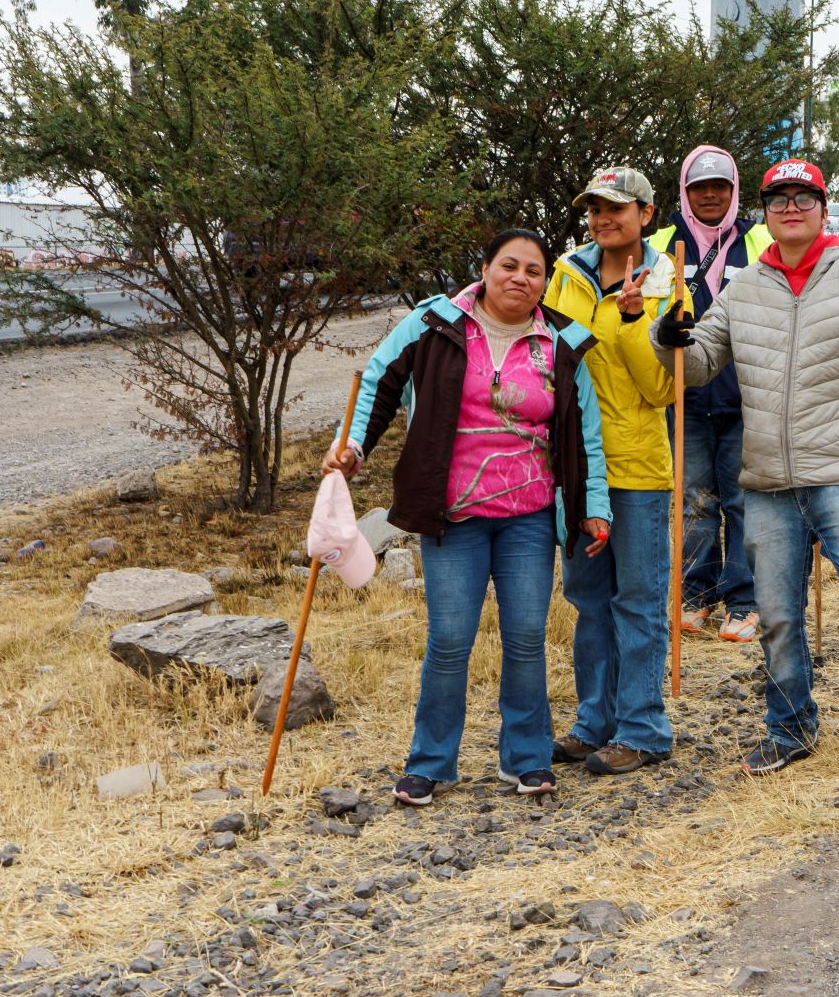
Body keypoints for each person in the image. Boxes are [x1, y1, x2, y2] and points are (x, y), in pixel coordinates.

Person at [654, 157, 839, 784]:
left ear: (823, 206)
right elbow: (699, 362)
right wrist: (668, 335)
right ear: (764, 210)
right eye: (778, 198)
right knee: (778, 615)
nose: (790, 207)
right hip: (767, 482)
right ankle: (789, 727)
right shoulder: (746, 286)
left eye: (803, 197)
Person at [330, 230, 609, 806]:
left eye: (534, 271)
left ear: (544, 283)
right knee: (451, 640)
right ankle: (431, 764)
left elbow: (587, 433)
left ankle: (528, 760)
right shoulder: (435, 324)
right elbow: (379, 382)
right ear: (484, 268)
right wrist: (352, 447)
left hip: (528, 517)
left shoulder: (562, 342)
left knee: (528, 638)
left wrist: (595, 508)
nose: (521, 278)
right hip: (452, 514)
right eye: (509, 265)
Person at [543, 166, 678, 775]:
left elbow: (661, 391)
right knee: (589, 597)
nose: (604, 219)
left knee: (639, 600)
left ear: (647, 214)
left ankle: (644, 728)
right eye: (595, 208)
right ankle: (593, 722)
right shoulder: (563, 277)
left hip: (637, 467)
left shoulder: (669, 284)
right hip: (575, 467)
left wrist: (628, 323)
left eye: (618, 209)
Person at [649, 146, 773, 644]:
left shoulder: (761, 239)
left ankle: (745, 599)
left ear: (734, 189)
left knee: (744, 501)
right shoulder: (660, 243)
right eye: (700, 187)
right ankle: (696, 593)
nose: (710, 195)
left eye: (720, 186)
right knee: (693, 500)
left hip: (748, 395)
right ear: (685, 190)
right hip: (686, 393)